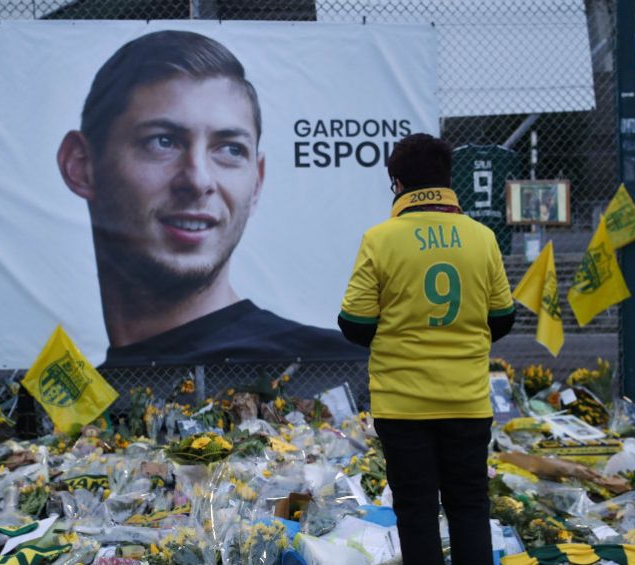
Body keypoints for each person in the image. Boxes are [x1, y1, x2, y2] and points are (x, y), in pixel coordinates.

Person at [57, 30, 363, 367]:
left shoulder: (337, 370)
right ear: (81, 166)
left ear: (257, 182)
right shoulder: (72, 404)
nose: (199, 180)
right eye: (162, 142)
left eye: (230, 150)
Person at [338, 133, 516, 564]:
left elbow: (355, 323)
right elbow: (503, 318)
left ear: (397, 183)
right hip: (466, 400)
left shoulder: (381, 239)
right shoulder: (481, 237)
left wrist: (399, 330)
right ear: (447, 178)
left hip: (403, 404)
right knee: (470, 506)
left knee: (416, 511)